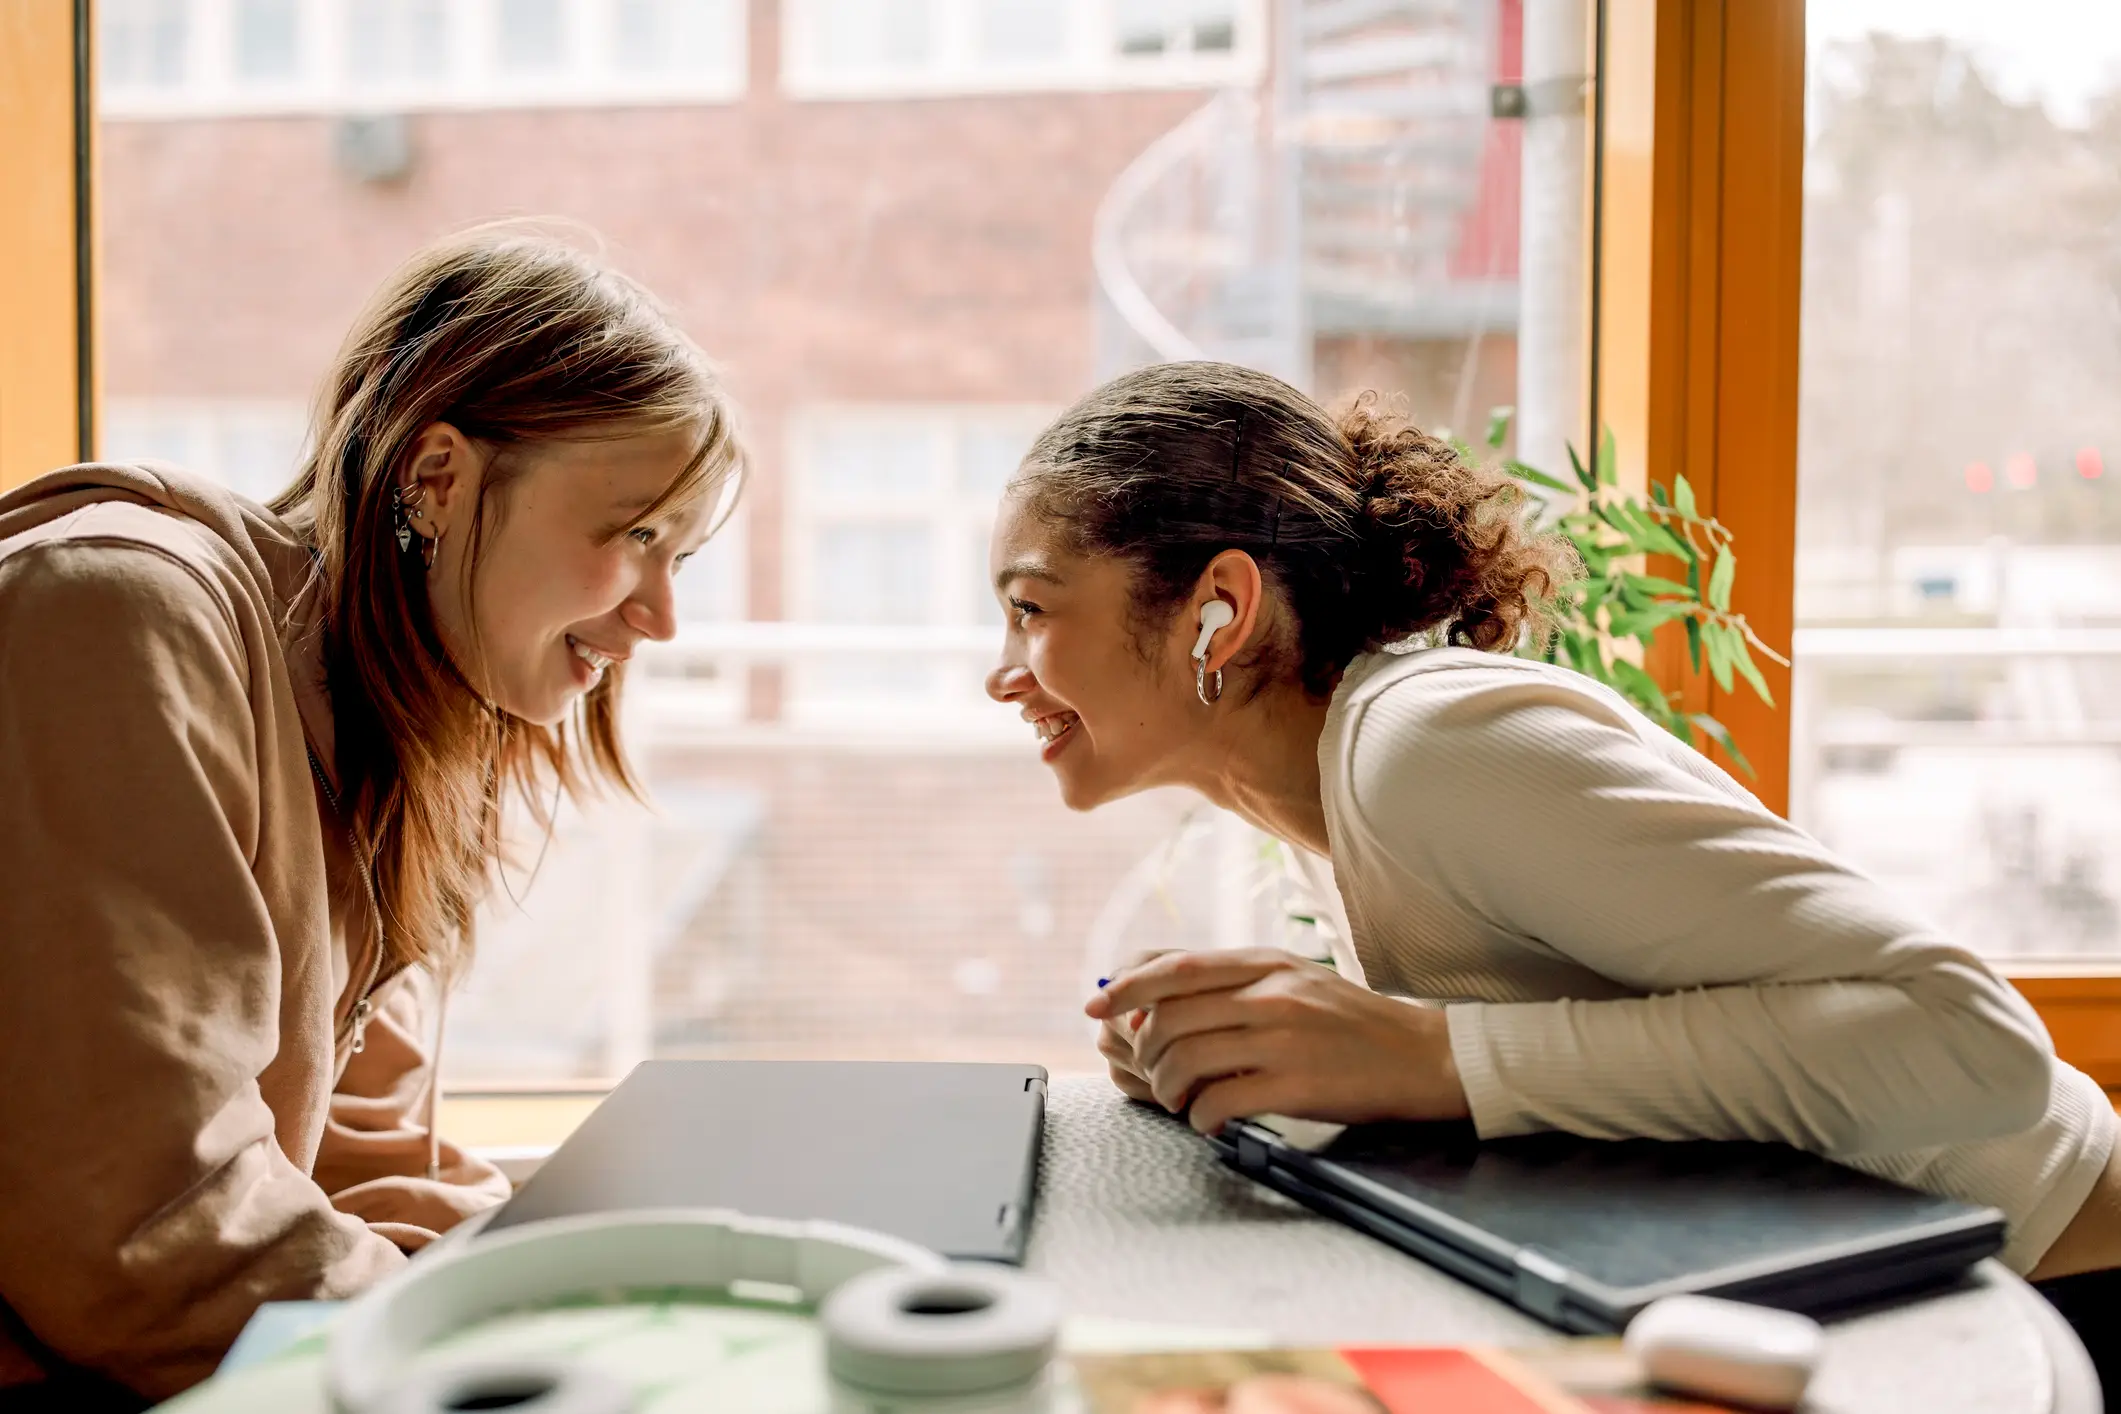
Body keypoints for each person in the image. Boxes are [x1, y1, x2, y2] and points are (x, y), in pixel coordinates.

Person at [985, 360, 2121, 1381]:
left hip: (2052, 1291)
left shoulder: (1423, 749)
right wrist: (1247, 1056)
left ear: (1218, 610)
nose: (1002, 673)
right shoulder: (1325, 804)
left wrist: (1432, 1058)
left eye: (1030, 609)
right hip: (1873, 1306)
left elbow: (1976, 1046)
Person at [0, 228, 742, 1406]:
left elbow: (360, 1156)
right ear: (437, 478)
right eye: (636, 535)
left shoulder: (394, 721)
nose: (659, 618)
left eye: (682, 557)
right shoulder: (115, 622)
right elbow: (137, 1234)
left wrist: (589, 1311)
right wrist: (492, 1363)